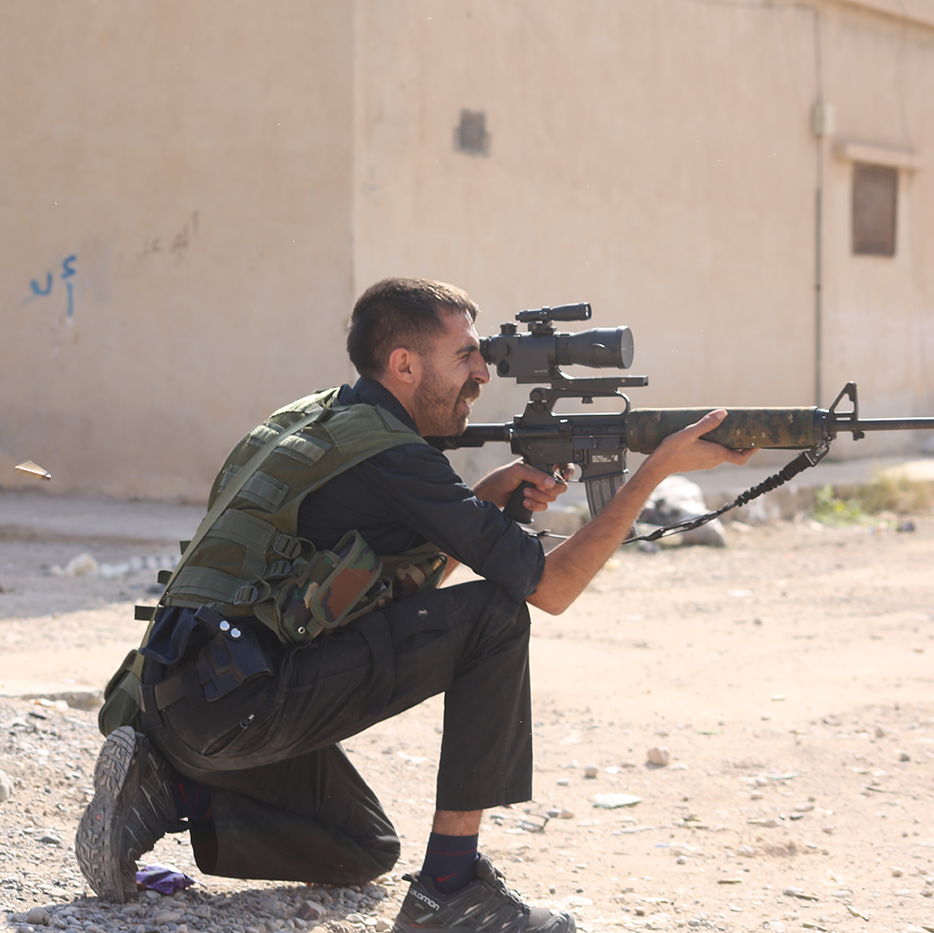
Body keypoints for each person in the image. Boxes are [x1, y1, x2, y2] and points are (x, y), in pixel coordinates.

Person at [75, 278, 755, 932]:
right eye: (465, 356)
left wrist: (478, 502)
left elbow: (363, 594)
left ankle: (170, 789)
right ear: (404, 365)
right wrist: (655, 471)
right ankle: (450, 890)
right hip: (240, 702)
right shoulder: (396, 458)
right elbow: (551, 589)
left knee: (363, 848)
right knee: (494, 617)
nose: (482, 373)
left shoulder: (315, 421)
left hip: (180, 698)